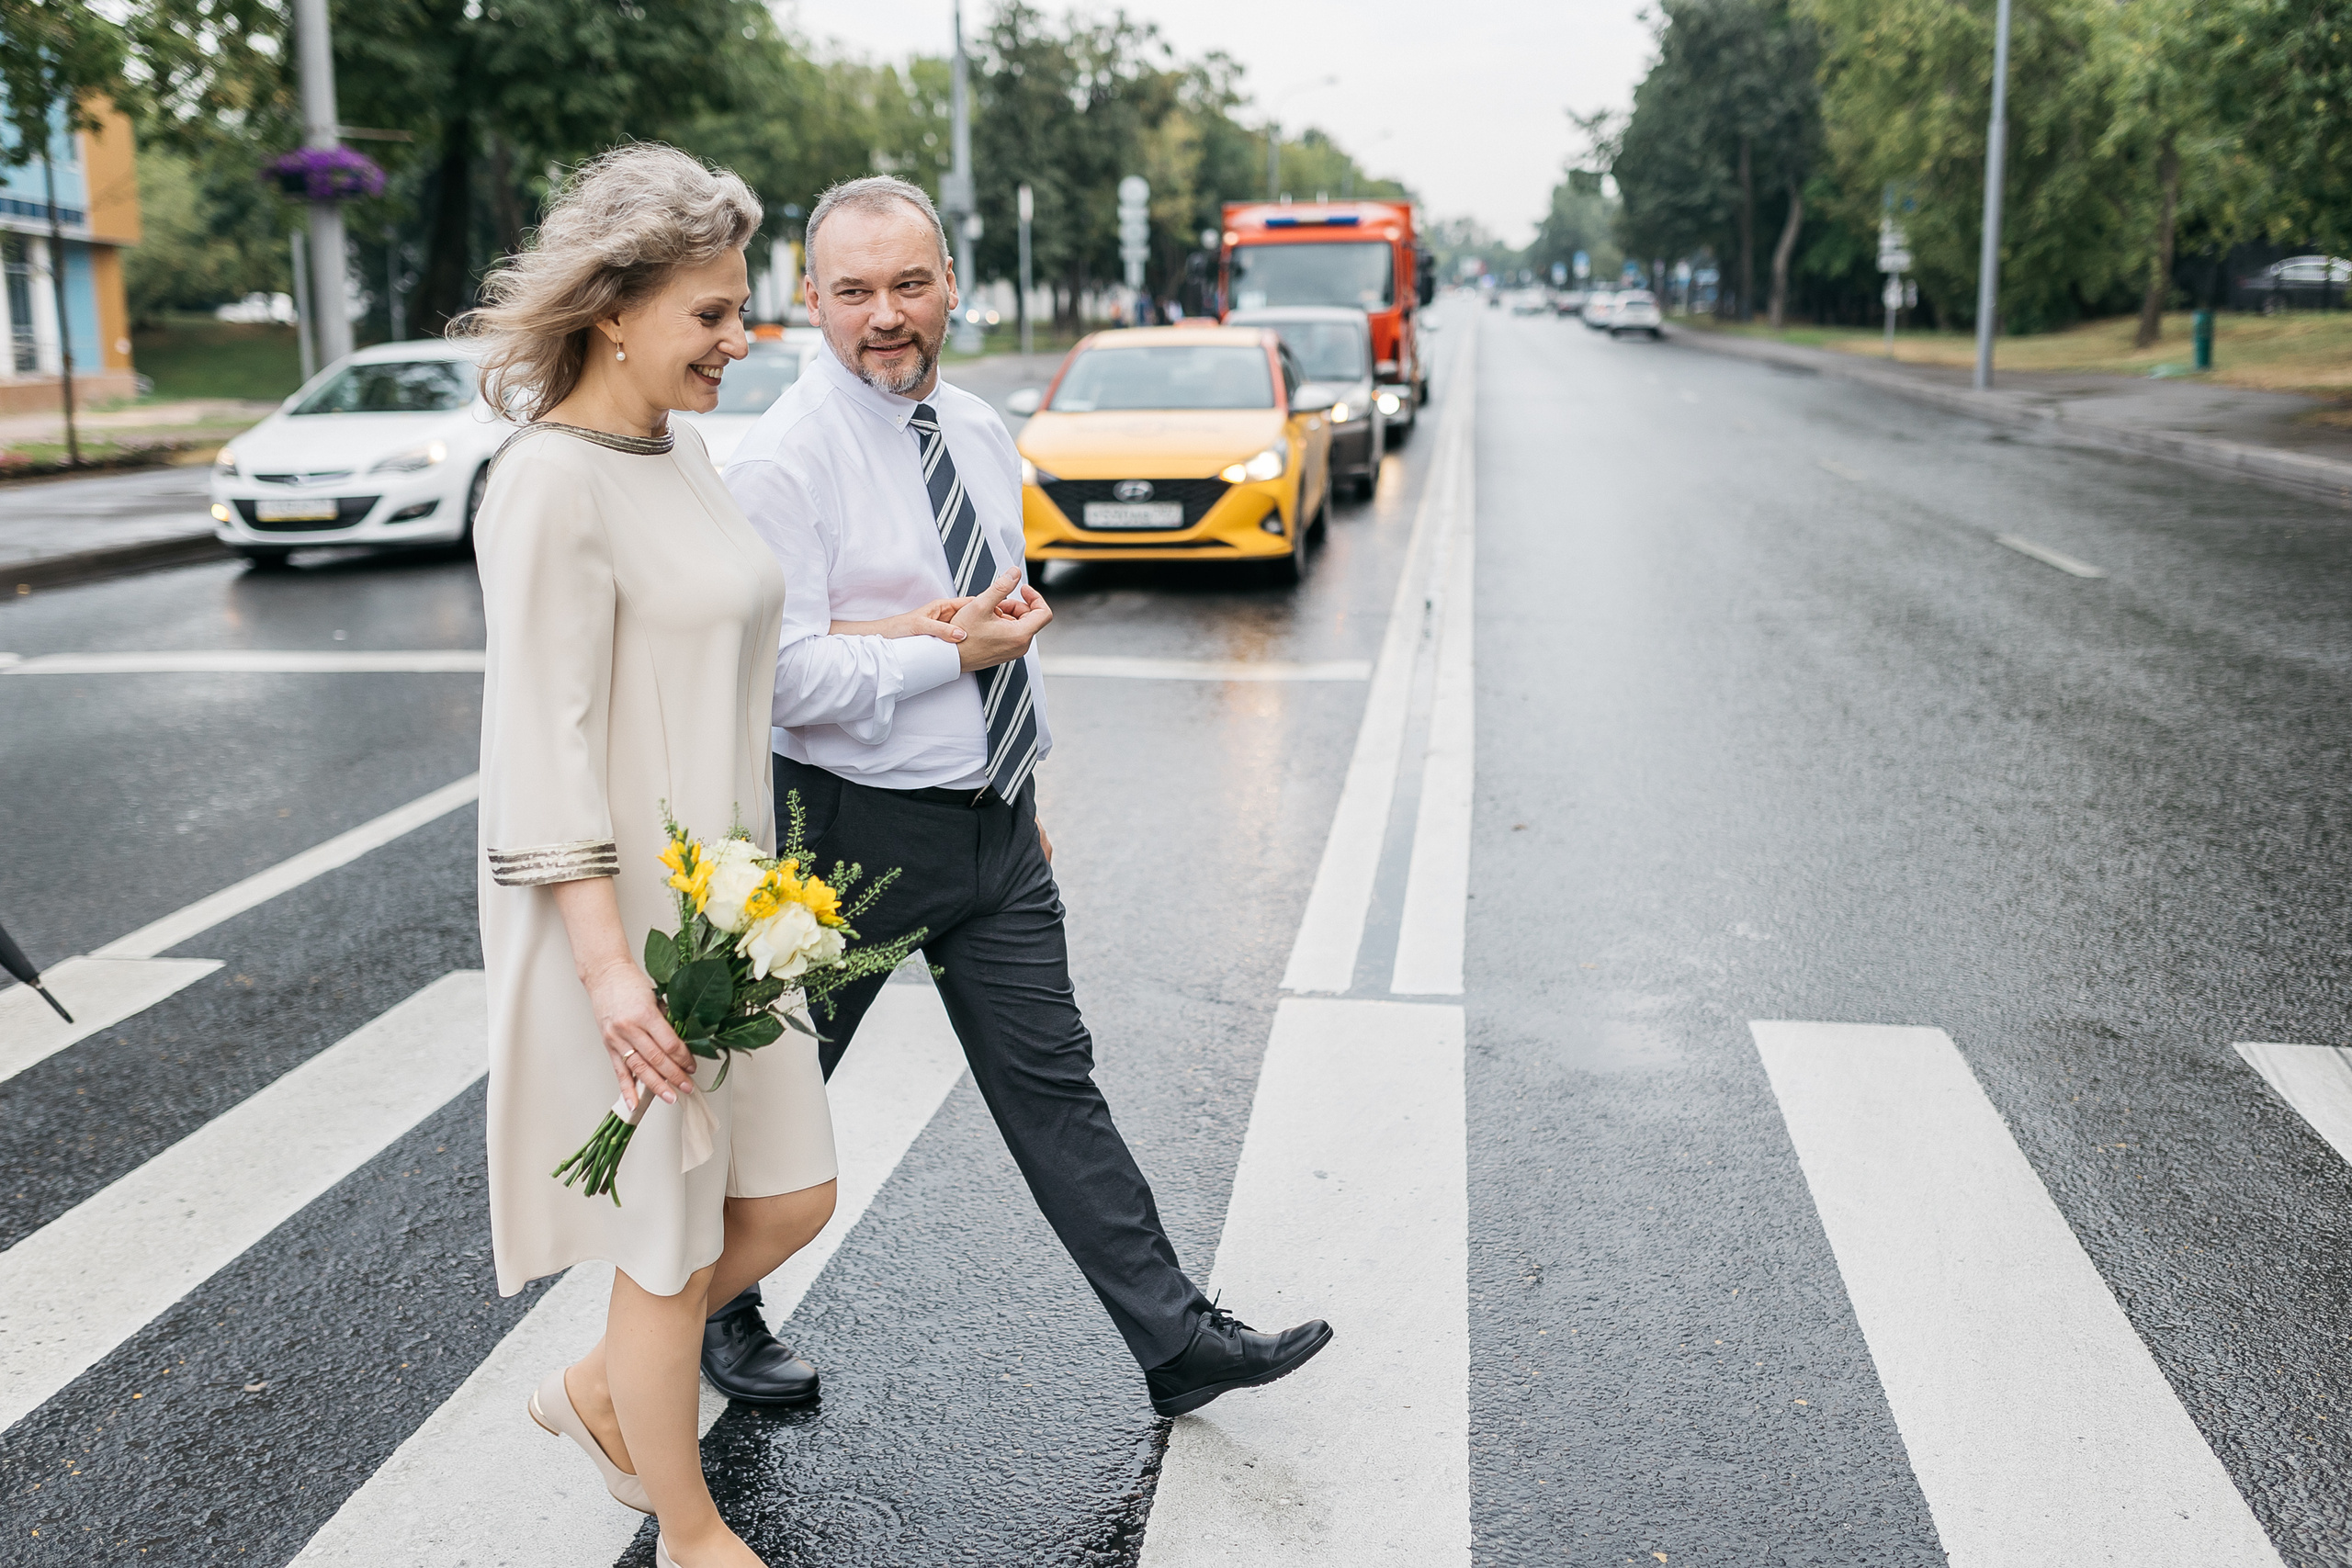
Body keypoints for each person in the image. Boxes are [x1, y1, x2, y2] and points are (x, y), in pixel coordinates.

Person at [709, 174, 1331, 1418]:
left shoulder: (984, 434)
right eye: (854, 292)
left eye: (909, 284)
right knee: (779, 1099)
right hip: (848, 844)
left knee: (1057, 1088)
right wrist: (954, 657)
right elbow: (783, 679)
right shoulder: (786, 460)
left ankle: (1176, 1342)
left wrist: (1015, 771)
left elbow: (1008, 623)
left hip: (994, 834)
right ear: (810, 301)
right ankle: (716, 1312)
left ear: (951, 287)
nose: (886, 315)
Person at [465, 144, 831, 1568]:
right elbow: (541, 744)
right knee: (668, 1236)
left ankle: (601, 1392)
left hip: (734, 914)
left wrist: (910, 639)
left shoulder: (678, 452)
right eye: (713, 314)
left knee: (791, 1193)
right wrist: (611, 973)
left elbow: (735, 639)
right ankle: (684, 1525)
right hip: (622, 926)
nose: (742, 340)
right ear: (615, 308)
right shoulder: (550, 482)